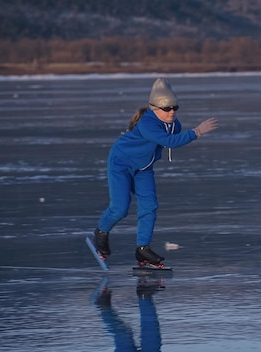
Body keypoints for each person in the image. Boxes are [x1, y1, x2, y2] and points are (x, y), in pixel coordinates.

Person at [92, 77, 218, 267]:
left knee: (150, 206)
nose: (172, 112)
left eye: (175, 107)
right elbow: (170, 142)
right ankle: (101, 232)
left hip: (144, 168)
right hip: (121, 165)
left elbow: (173, 136)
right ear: (155, 108)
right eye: (166, 109)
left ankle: (143, 249)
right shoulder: (147, 124)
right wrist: (197, 131)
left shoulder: (175, 124)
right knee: (120, 208)